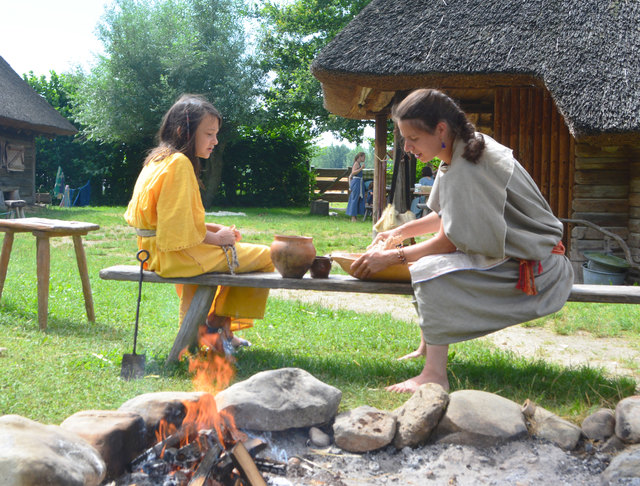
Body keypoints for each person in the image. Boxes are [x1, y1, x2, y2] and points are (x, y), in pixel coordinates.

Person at [351, 89, 573, 393]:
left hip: (538, 269)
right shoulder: (458, 151)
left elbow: (449, 241)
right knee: (427, 266)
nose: (407, 147)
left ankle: (434, 376)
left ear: (440, 129)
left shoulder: (471, 163)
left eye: (413, 138)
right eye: (405, 138)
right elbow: (445, 215)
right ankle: (429, 347)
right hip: (519, 259)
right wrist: (397, 233)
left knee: (431, 272)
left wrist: (392, 257)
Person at [125, 94, 274, 353]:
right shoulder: (179, 163)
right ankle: (216, 324)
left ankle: (211, 334)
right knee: (267, 256)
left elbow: (172, 221)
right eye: (209, 134)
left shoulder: (157, 159)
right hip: (174, 256)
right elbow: (177, 229)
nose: (215, 141)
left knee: (240, 255)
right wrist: (217, 239)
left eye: (216, 134)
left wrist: (213, 229)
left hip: (153, 253)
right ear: (184, 131)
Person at [346, 152, 366, 222]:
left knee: (358, 199)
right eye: (364, 157)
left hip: (358, 183)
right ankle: (353, 217)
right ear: (360, 157)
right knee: (354, 199)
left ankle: (355, 216)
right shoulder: (356, 164)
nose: (364, 158)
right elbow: (353, 172)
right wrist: (361, 168)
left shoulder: (358, 164)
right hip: (356, 183)